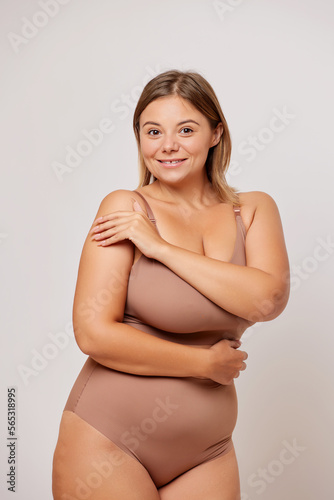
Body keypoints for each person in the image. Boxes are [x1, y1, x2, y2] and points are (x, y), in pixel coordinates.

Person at [52, 70, 290, 500]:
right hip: (109, 438)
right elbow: (93, 333)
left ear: (216, 133)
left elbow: (266, 299)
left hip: (208, 451)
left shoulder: (252, 210)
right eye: (153, 131)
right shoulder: (125, 207)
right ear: (139, 138)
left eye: (186, 129)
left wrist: (160, 248)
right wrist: (202, 365)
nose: (168, 146)